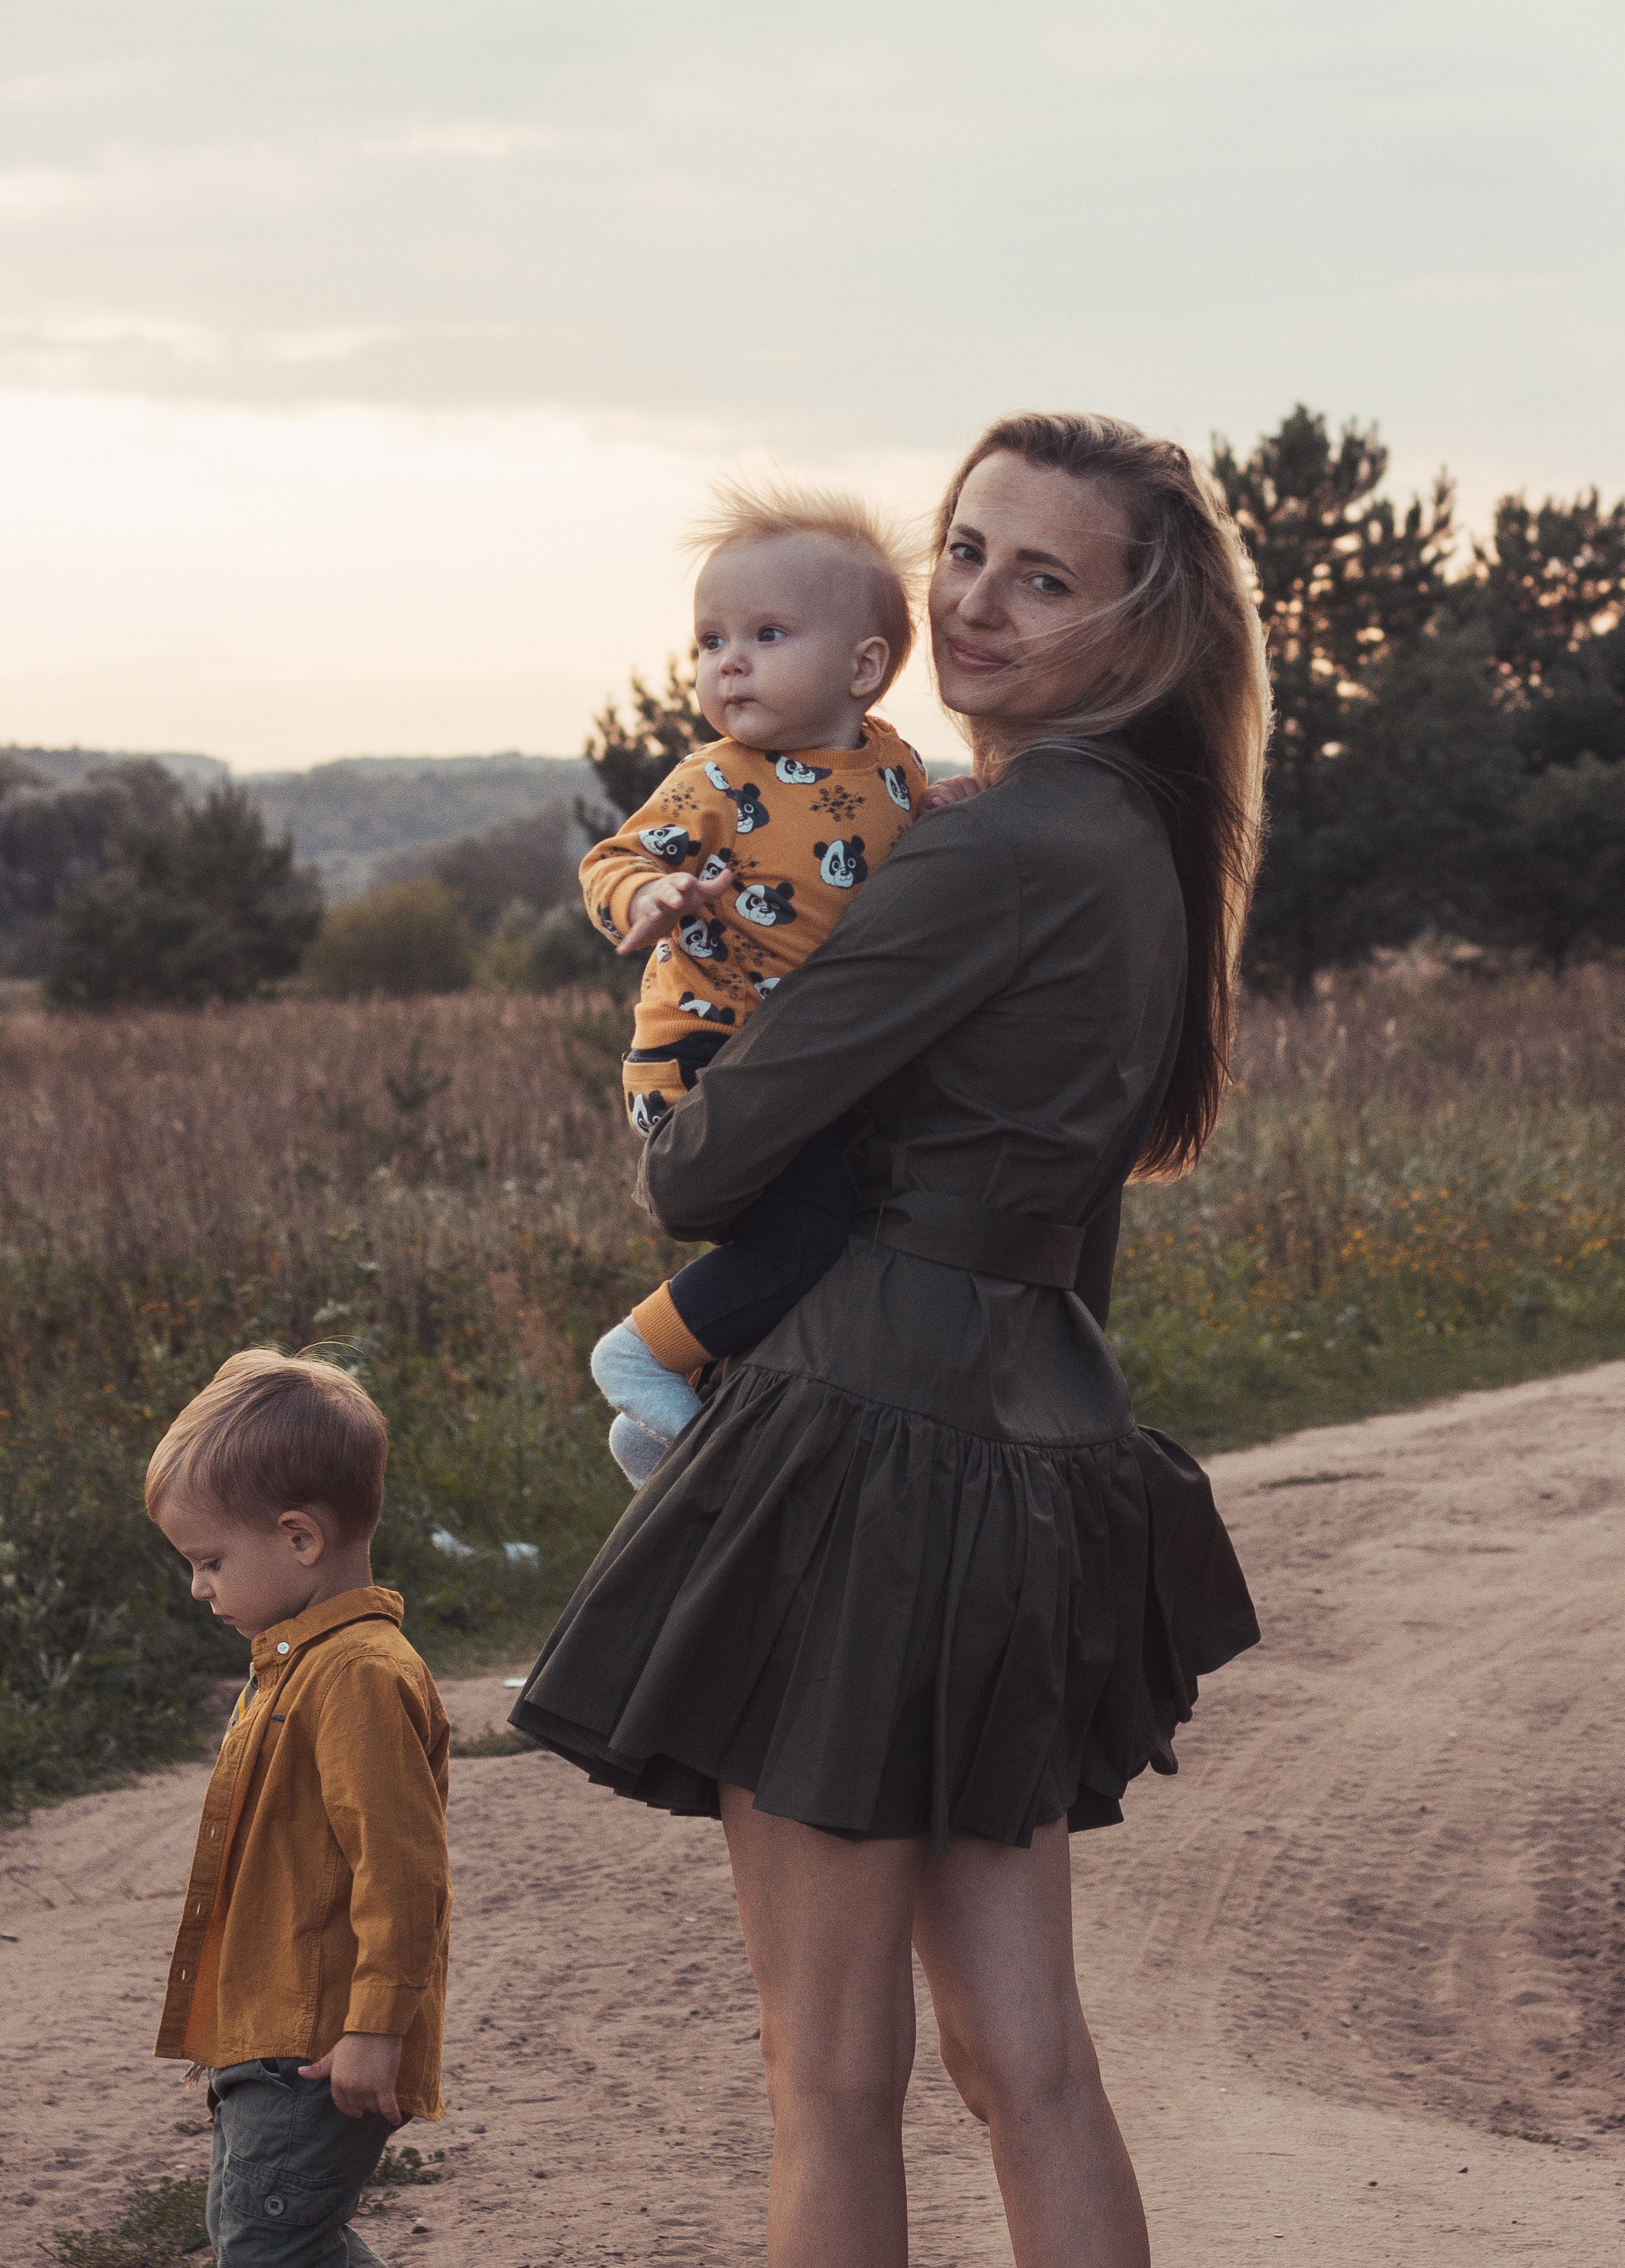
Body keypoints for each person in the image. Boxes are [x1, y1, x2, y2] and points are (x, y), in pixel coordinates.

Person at [514, 412, 1270, 2268]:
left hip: (856, 1455)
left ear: (1137, 629)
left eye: (1040, 576)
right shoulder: (1141, 842)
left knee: (827, 2082)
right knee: (1025, 2062)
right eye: (962, 550)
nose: (974, 605)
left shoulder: (985, 847)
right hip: (1029, 1451)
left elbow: (698, 1171)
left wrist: (693, 1019)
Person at [585, 482, 970, 1486]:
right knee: (800, 1230)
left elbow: (896, 855)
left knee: (835, 1242)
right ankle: (638, 1354)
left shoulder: (890, 765)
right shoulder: (714, 782)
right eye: (710, 639)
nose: (729, 661)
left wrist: (951, 812)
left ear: (864, 667)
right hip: (704, 1053)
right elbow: (610, 859)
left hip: (803, 1058)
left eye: (764, 631)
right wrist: (649, 892)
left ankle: (667, 1420)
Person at [146, 1349, 451, 2268]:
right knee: (275, 2238)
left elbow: (401, 1871)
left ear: (300, 1538)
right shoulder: (297, 1665)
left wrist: (374, 2027)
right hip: (270, 2040)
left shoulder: (355, 1671)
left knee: (270, 2243)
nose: (200, 1587)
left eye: (209, 1560)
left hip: (319, 2046)